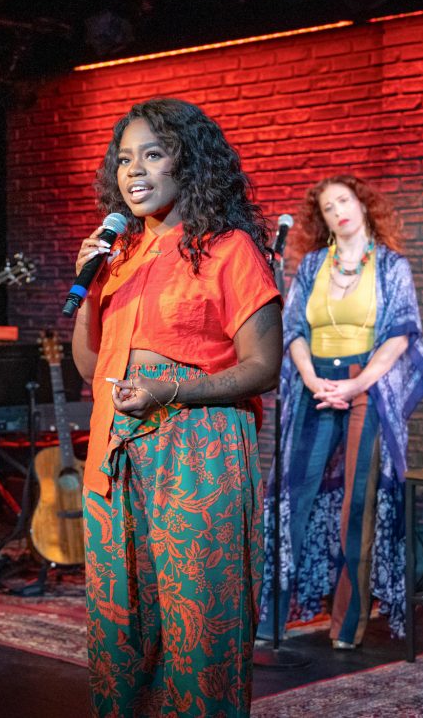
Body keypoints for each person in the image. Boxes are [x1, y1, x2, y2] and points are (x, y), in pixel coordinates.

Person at [71, 98, 283, 717]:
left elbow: (263, 367)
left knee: (199, 628)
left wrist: (175, 389)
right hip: (116, 456)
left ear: (186, 165)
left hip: (199, 454)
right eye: (124, 159)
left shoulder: (227, 247)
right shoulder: (121, 256)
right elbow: (91, 368)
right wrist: (88, 287)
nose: (133, 171)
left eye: (153, 155)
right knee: (118, 629)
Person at [258, 175, 423, 649]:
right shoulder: (312, 265)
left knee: (358, 505)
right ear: (322, 220)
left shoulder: (392, 266)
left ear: (363, 205)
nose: (338, 211)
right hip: (316, 386)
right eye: (328, 207)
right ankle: (271, 619)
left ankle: (346, 626)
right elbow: (292, 329)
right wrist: (313, 381)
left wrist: (354, 384)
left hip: (366, 386)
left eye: (344, 201)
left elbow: (399, 334)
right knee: (293, 497)